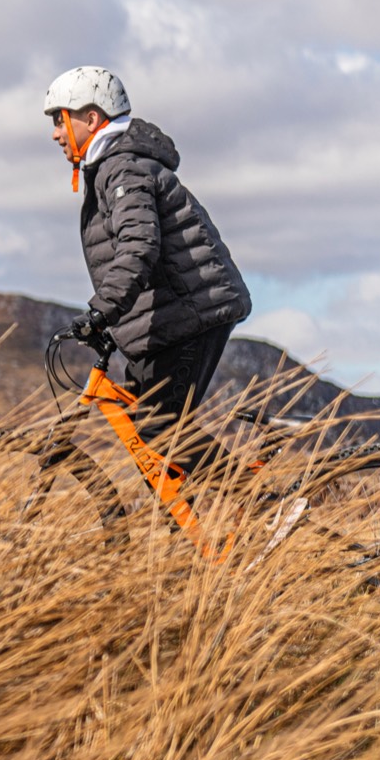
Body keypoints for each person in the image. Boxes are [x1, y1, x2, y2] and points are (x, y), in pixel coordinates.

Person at [44, 66, 252, 473]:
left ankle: (260, 509)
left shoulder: (123, 169)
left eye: (59, 120)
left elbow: (140, 246)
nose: (55, 133)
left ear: (91, 118)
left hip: (195, 311)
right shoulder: (113, 168)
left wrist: (103, 308)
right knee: (147, 431)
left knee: (161, 428)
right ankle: (204, 529)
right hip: (174, 314)